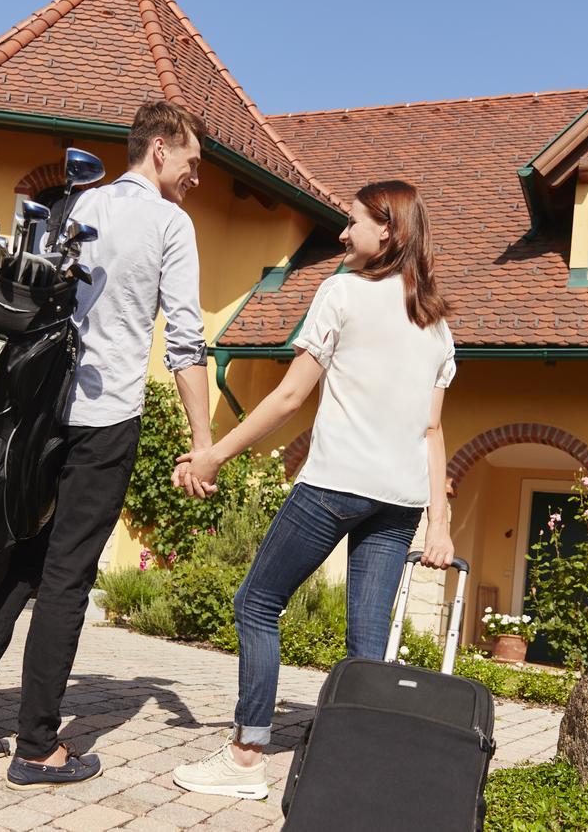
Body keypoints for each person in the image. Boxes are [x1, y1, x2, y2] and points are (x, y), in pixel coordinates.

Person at [0, 101, 213, 789]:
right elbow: (183, 342)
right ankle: (37, 746)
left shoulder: (73, 204)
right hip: (105, 414)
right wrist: (204, 438)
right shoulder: (170, 223)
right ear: (161, 149)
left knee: (21, 554)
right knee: (68, 575)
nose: (195, 179)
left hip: (35, 411)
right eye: (193, 163)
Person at [168, 180, 458, 799]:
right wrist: (440, 522)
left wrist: (214, 453)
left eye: (353, 222)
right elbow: (433, 430)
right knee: (367, 644)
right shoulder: (435, 325)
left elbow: (292, 395)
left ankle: (246, 757)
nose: (343, 233)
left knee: (256, 603)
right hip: (401, 500)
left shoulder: (341, 293)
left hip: (335, 485)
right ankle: (360, 769)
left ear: (390, 232)